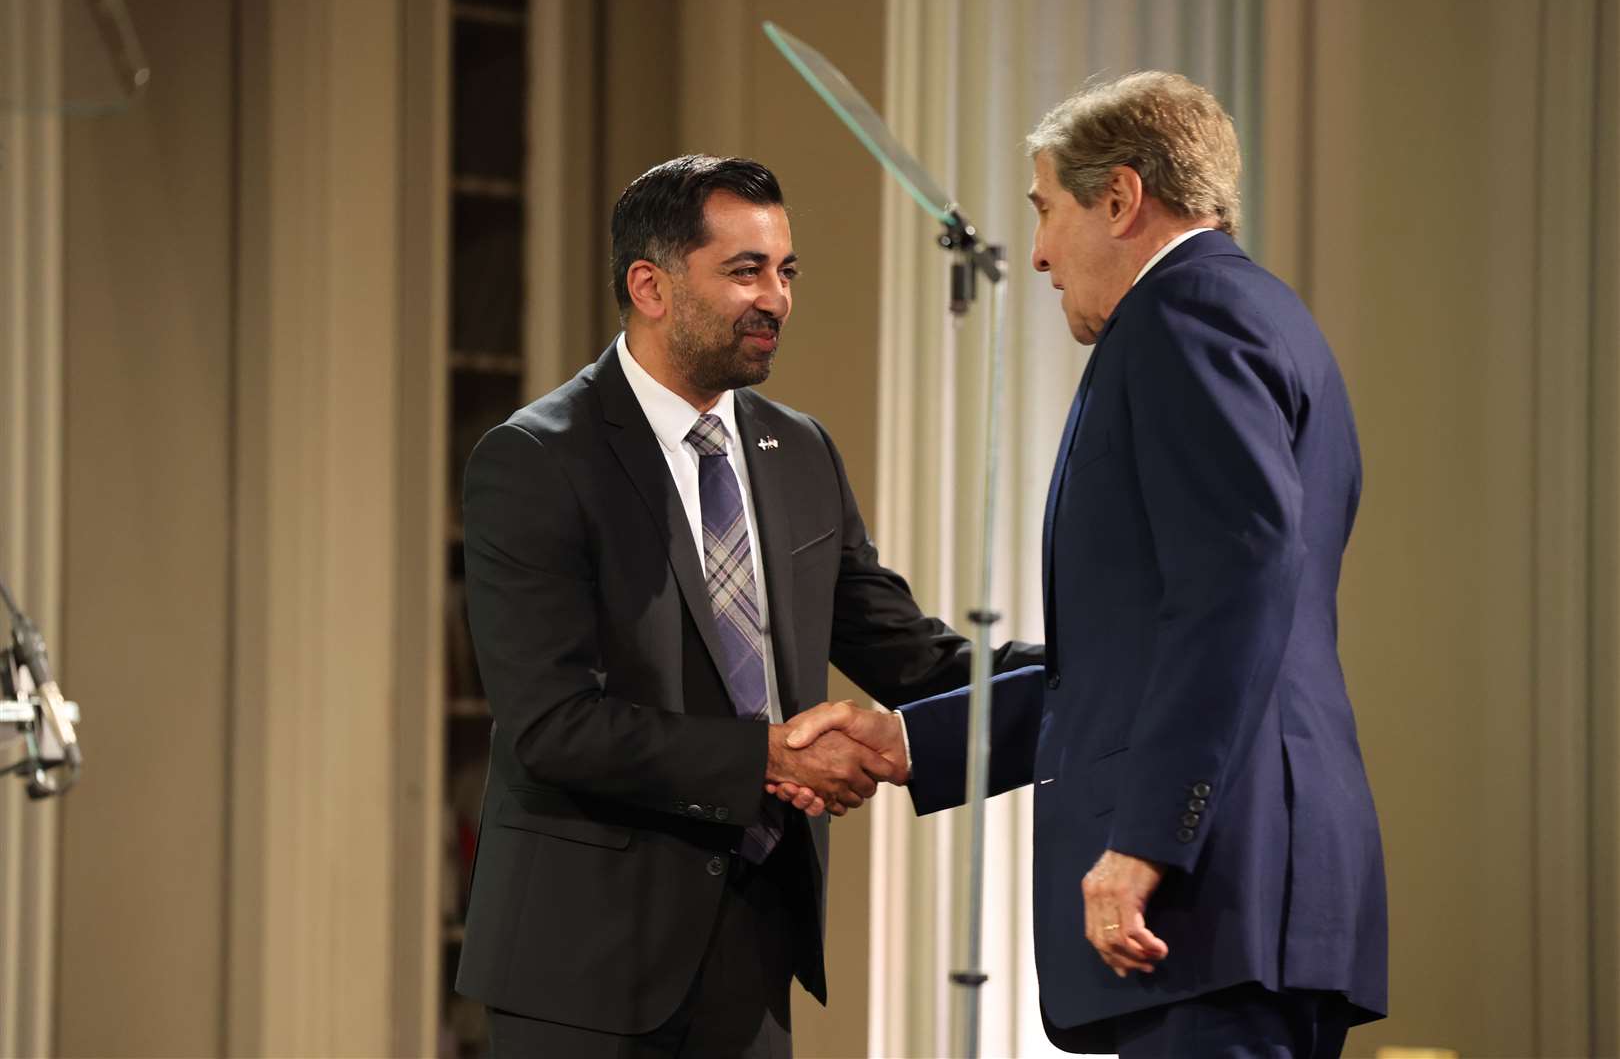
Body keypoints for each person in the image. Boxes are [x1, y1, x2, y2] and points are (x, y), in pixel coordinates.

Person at [776, 72, 1388, 1057]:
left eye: (1047, 210)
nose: (1045, 252)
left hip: (1210, 890)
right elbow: (1145, 655)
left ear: (1121, 199)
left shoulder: (1185, 319)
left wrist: (1148, 838)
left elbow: (1239, 587)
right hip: (1244, 896)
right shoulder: (1261, 315)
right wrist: (909, 742)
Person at [454, 154, 1040, 1057]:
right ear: (649, 285)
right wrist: (767, 758)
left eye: (785, 271)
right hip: (582, 963)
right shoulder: (537, 458)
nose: (777, 297)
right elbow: (552, 726)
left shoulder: (800, 452)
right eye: (745, 270)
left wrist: (1086, 671)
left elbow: (913, 658)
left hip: (756, 945)